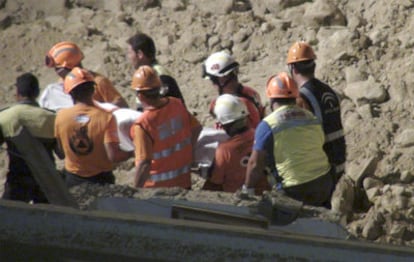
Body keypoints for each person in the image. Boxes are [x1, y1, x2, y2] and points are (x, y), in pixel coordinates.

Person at [244, 72, 333, 207]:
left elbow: (255, 164)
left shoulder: (268, 124)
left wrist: (248, 189)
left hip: (295, 190)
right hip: (324, 183)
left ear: (272, 100)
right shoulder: (311, 117)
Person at [54, 67, 131, 188]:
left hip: (73, 180)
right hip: (102, 181)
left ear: (70, 92)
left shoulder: (61, 117)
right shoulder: (106, 117)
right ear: (93, 90)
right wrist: (133, 152)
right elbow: (114, 156)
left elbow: (61, 152)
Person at [130, 66, 202, 189]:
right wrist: (189, 154)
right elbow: (196, 128)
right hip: (183, 183)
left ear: (140, 96)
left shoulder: (143, 125)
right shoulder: (176, 104)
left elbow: (144, 163)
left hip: (157, 190)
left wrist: (134, 191)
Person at [287, 41, 346, 185]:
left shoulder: (302, 98)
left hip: (322, 165)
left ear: (293, 68)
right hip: (339, 158)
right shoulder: (328, 90)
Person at [0, 73, 57, 203]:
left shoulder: (5, 116)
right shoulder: (52, 118)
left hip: (18, 178)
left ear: (17, 93)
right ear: (37, 92)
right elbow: (62, 153)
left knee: (10, 216)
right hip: (47, 179)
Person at [202, 94, 270, 194]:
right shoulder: (260, 136)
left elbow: (214, 184)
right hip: (265, 196)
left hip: (237, 203)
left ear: (225, 124)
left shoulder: (224, 150)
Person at [40, 41, 128, 111]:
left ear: (68, 67)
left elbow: (122, 106)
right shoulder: (60, 84)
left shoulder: (99, 82)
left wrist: (98, 112)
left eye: (57, 68)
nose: (56, 71)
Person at [203, 50, 265, 129]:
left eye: (213, 80)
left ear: (224, 78)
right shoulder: (249, 92)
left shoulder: (234, 105)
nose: (213, 84)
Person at [126, 32, 185, 107]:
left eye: (130, 53)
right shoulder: (144, 76)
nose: (128, 57)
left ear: (140, 54)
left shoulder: (159, 76)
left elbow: (163, 109)